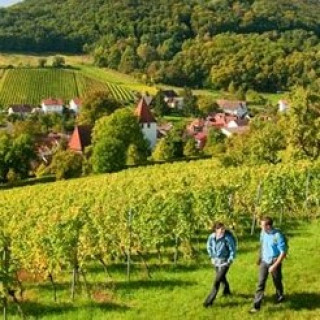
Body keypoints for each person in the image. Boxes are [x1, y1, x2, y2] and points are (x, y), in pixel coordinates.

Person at [250, 216, 287, 313]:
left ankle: (280, 295)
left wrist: (274, 266)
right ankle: (256, 306)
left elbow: (283, 253)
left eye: (262, 225)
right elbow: (262, 245)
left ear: (269, 226)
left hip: (274, 261)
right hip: (264, 261)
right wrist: (259, 258)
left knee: (277, 280)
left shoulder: (277, 236)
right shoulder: (263, 232)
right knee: (260, 283)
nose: (260, 226)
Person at [203, 222, 236, 308]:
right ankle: (227, 291)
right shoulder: (212, 237)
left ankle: (208, 302)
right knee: (222, 278)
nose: (223, 230)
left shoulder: (227, 238)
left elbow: (233, 250)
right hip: (216, 262)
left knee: (217, 281)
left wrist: (230, 260)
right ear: (216, 230)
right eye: (221, 229)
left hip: (225, 262)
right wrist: (211, 256)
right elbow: (208, 246)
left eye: (223, 229)